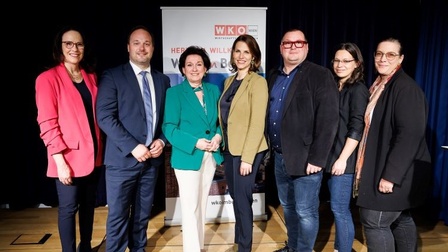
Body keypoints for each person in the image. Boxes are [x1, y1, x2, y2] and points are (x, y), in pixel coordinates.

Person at [96, 25, 170, 251]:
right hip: (122, 162)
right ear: (128, 47)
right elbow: (105, 116)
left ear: (153, 48)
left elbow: (167, 119)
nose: (142, 48)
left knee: (141, 216)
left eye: (147, 43)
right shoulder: (113, 76)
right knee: (118, 218)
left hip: (151, 162)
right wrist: (133, 146)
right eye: (137, 43)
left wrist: (162, 140)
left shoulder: (162, 80)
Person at [354, 38, 432, 252]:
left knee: (374, 221)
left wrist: (391, 176)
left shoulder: (405, 88)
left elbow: (409, 136)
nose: (383, 59)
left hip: (395, 172)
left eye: (390, 55)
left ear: (401, 58)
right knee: (400, 218)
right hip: (385, 167)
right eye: (379, 54)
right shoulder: (381, 85)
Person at [266, 29, 339, 252]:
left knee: (305, 211)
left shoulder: (319, 74)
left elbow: (328, 120)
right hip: (279, 157)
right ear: (281, 47)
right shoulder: (273, 76)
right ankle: (294, 247)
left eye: (299, 43)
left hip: (307, 159)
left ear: (306, 47)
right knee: (288, 207)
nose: (293, 46)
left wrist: (318, 158)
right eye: (288, 43)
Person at [35, 26, 103, 252]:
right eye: (69, 44)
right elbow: (47, 123)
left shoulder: (90, 76)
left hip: (93, 155)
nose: (75, 48)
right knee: (68, 209)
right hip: (67, 158)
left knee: (88, 208)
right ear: (60, 47)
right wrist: (60, 162)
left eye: (79, 44)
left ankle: (86, 247)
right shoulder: (47, 79)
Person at [162, 45, 223, 252]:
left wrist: (217, 136)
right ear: (183, 69)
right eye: (189, 65)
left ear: (206, 68)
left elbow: (220, 123)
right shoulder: (174, 93)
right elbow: (169, 128)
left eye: (199, 64)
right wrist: (195, 142)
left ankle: (198, 247)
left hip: (210, 156)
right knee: (190, 209)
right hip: (188, 156)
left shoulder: (214, 90)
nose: (194, 69)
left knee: (201, 206)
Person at [218, 34, 268, 252]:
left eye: (246, 52)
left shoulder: (258, 82)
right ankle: (240, 239)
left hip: (249, 150)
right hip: (230, 148)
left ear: (254, 56)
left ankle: (245, 247)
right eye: (237, 51)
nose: (241, 56)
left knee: (242, 198)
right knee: (234, 195)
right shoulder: (229, 81)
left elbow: (257, 122)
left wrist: (247, 159)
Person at [324, 42, 369, 252]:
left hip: (345, 159)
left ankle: (342, 250)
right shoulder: (332, 84)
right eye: (337, 60)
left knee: (340, 209)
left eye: (346, 61)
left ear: (357, 64)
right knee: (335, 208)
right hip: (328, 157)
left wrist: (342, 159)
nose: (340, 65)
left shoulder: (358, 89)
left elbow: (356, 127)